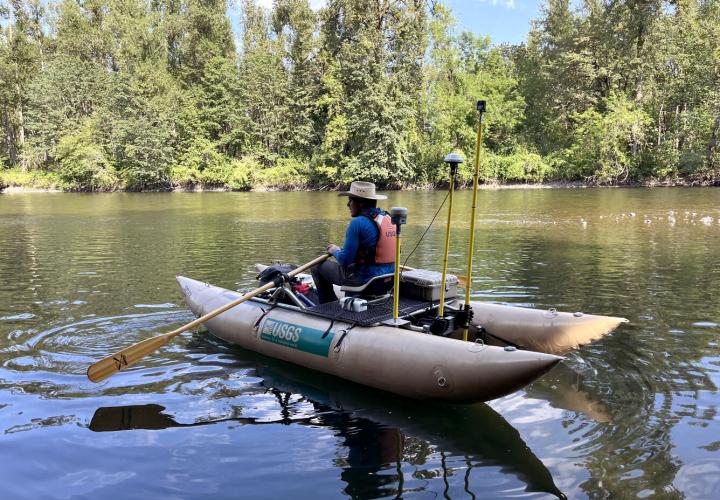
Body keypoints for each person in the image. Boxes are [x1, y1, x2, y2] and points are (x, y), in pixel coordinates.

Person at [312, 181, 396, 304]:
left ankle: (327, 304)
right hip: (387, 281)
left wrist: (335, 251)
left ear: (361, 203)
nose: (348, 204)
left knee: (316, 267)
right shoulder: (389, 218)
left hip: (365, 281)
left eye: (350, 200)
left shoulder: (358, 223)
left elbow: (345, 261)